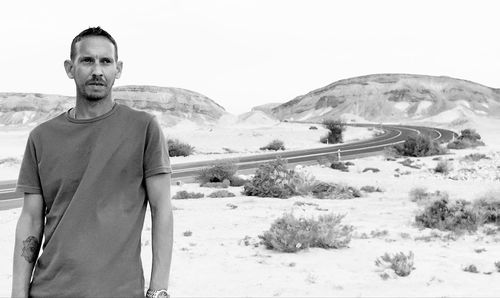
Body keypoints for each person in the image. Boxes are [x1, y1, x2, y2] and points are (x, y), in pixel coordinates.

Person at [11, 27, 173, 298]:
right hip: (48, 290)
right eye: (87, 60)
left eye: (105, 61)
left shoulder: (143, 128)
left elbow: (162, 210)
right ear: (69, 68)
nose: (97, 70)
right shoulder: (41, 137)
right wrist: (17, 293)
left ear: (118, 69)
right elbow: (30, 219)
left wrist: (158, 291)